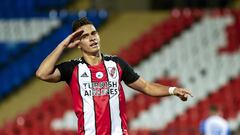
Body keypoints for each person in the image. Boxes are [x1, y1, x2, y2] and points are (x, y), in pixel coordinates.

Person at [36, 17, 193, 135]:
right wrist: (63, 45)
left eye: (94, 33)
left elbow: (146, 86)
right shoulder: (73, 68)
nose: (92, 38)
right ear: (77, 42)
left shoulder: (116, 63)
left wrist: (173, 90)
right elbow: (42, 73)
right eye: (85, 36)